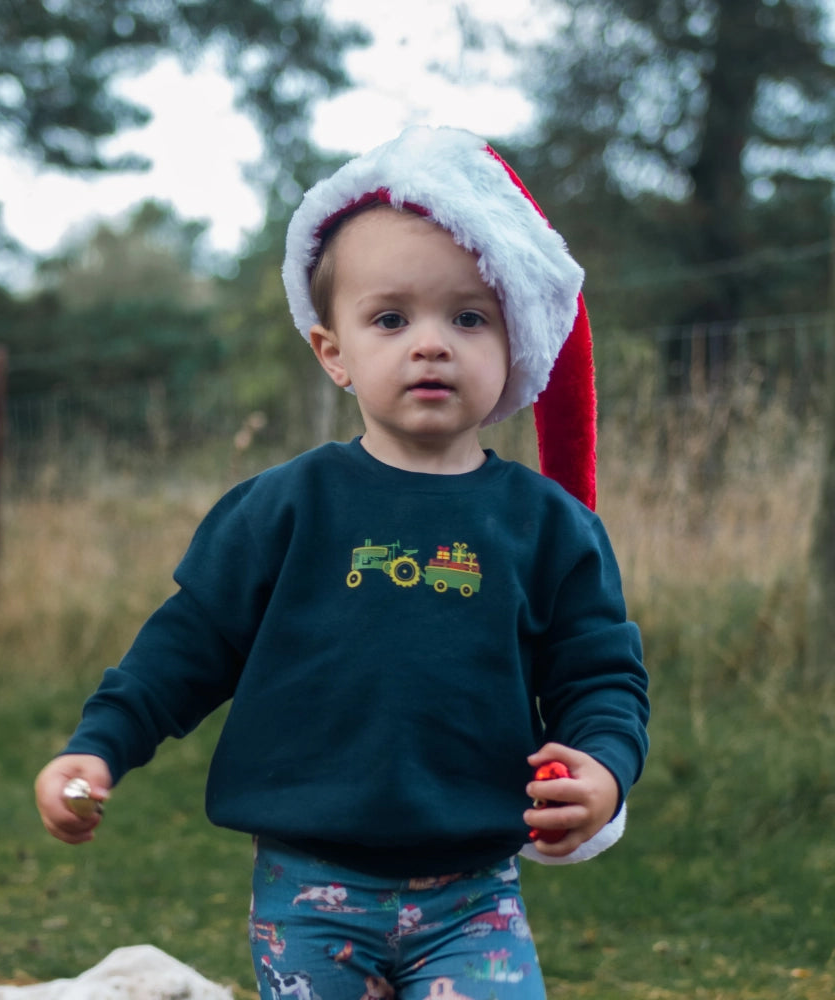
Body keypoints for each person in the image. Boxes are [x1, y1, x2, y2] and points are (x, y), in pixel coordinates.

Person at [35, 126, 650, 1000]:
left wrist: (604, 768)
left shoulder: (549, 527)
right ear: (335, 353)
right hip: (308, 893)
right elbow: (185, 650)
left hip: (476, 893)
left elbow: (602, 676)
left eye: (468, 317)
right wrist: (98, 749)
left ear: (516, 343)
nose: (430, 343)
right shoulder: (284, 509)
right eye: (391, 318)